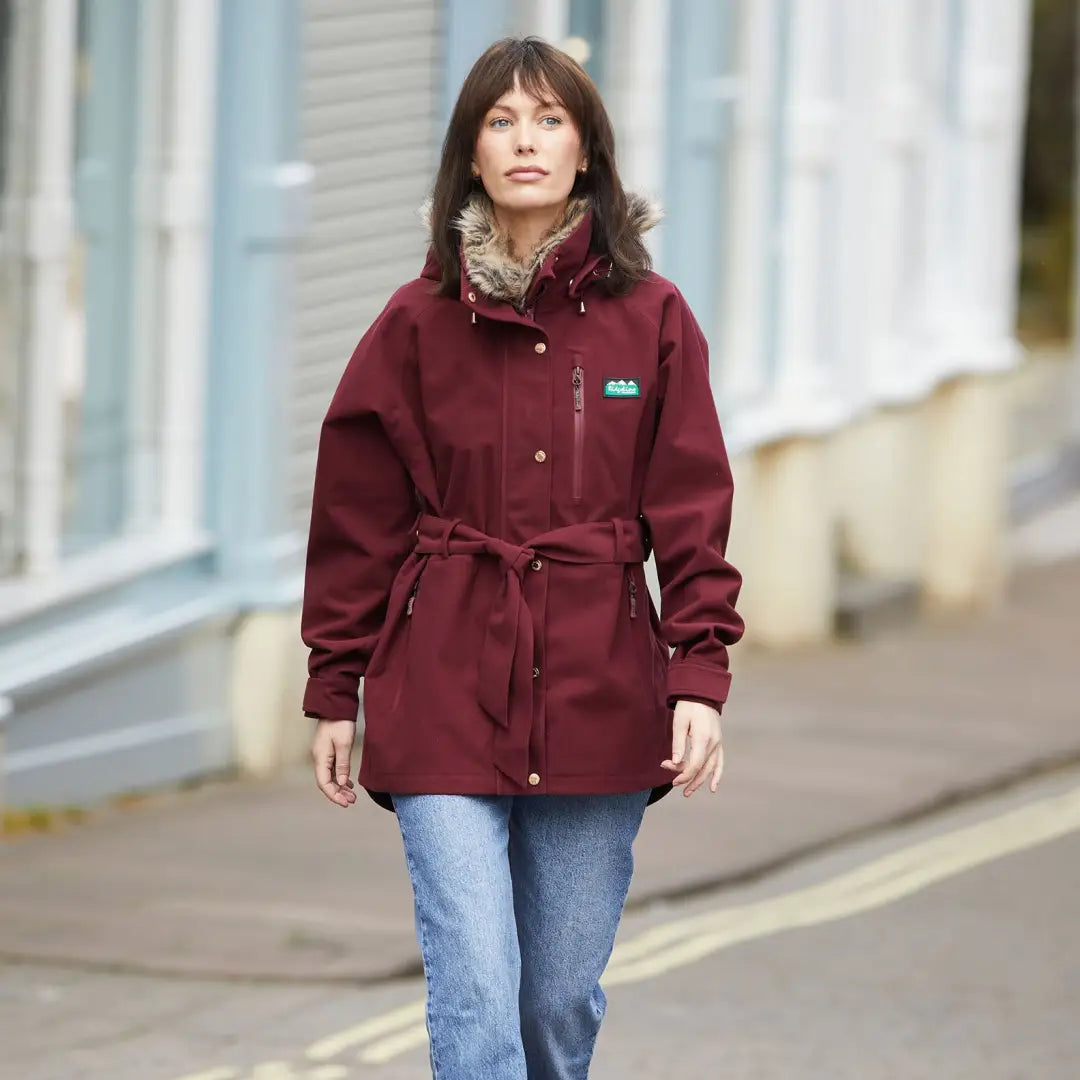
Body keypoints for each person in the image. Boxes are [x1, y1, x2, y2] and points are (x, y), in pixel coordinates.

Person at [300, 35, 744, 1080]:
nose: (525, 140)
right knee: (477, 1004)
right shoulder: (415, 324)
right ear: (473, 154)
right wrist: (334, 688)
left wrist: (700, 674)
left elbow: (692, 507)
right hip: (442, 683)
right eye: (501, 122)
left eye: (548, 119)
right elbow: (355, 517)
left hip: (600, 689)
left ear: (587, 150)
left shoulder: (654, 319)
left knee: (553, 1008)